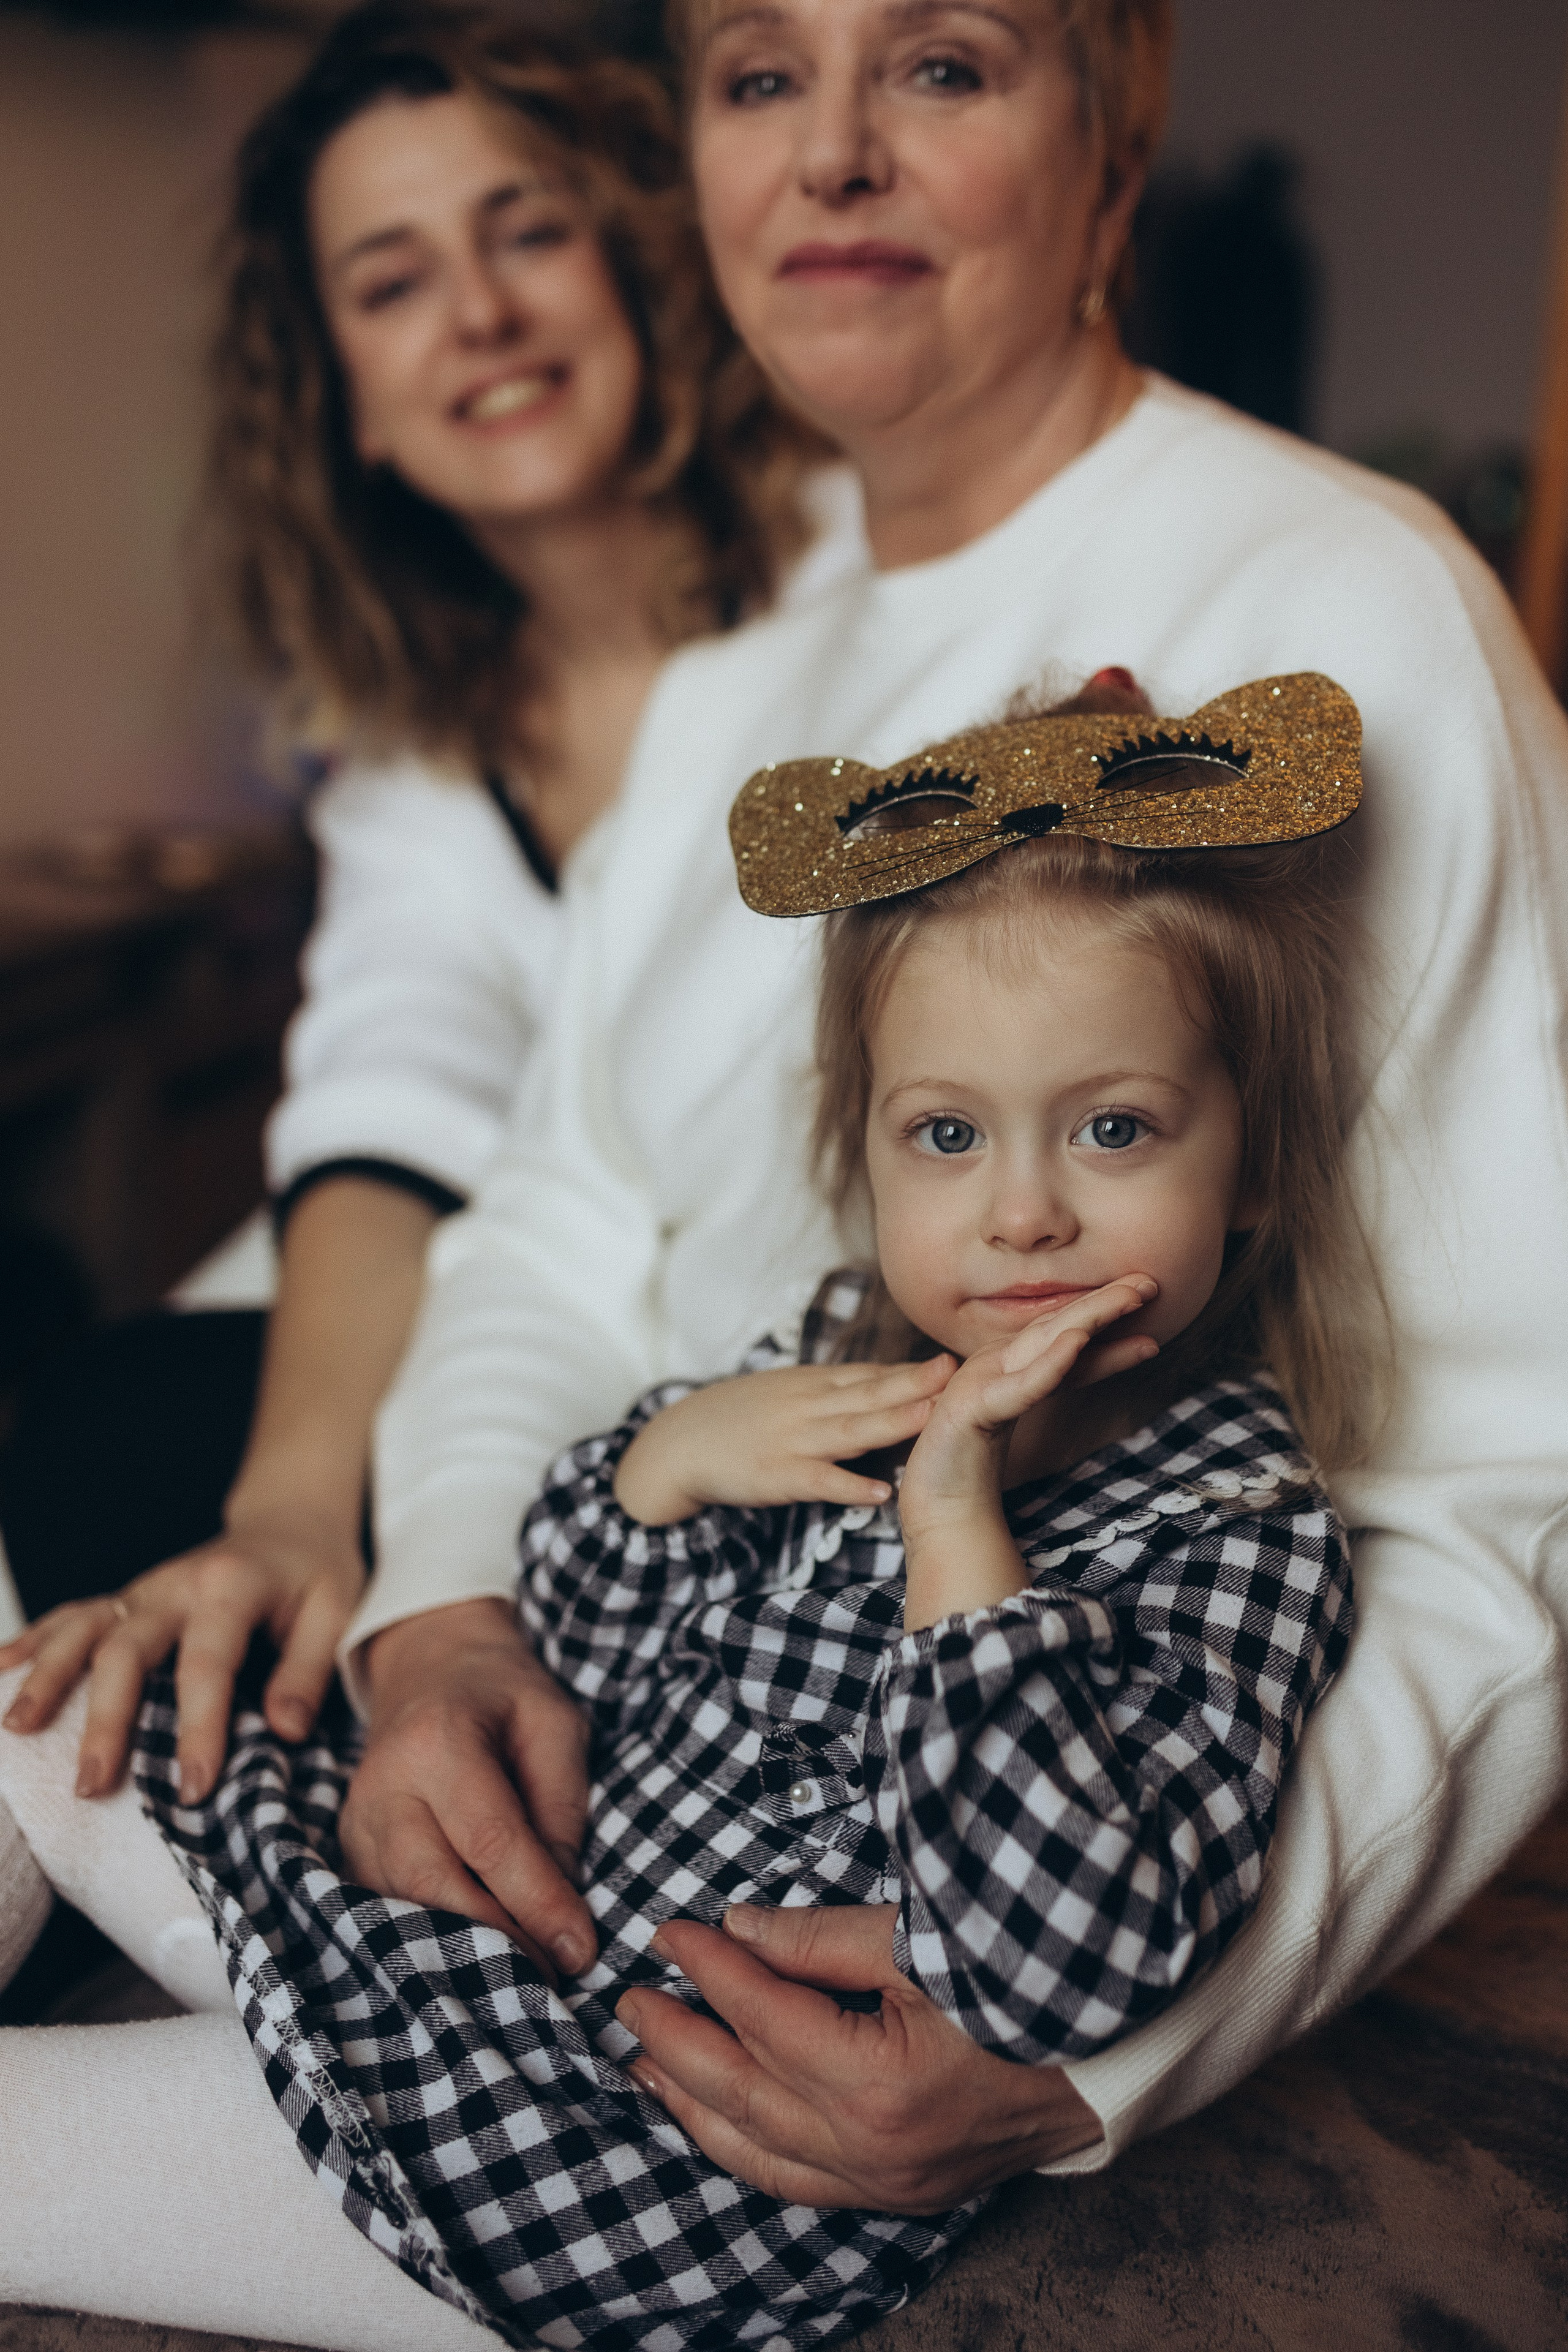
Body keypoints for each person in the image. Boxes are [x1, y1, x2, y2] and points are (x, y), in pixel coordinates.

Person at [3, 0, 1567, 2327]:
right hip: (613, 1722)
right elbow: (542, 1213)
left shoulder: (1351, 608)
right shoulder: (742, 670)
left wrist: (1090, 2050)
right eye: (759, 75)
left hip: (838, 1887)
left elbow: (1497, 1472)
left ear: (1111, 147)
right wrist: (437, 1620)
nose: (832, 154)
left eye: (940, 64)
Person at [130, 677, 1362, 2345]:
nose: (1022, 1215)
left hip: (632, 2136)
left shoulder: (1238, 1524)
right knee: (49, 1717)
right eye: (946, 1135)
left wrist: (958, 1543)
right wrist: (667, 1464)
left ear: (1258, 1167)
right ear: (867, 1153)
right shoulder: (848, 1343)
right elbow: (577, 1647)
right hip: (494, 1946)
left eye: (1115, 1129)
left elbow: (1057, 1979)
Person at [0, 0, 840, 1857]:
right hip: (517, 1346)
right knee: (123, 1458)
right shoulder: (406, 742)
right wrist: (297, 1504)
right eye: (392, 282)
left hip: (761, 1354)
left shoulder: (861, 594)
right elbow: (390, 1100)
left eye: (526, 230)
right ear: (349, 403)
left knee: (128, 1487)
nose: (480, 313)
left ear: (634, 260)